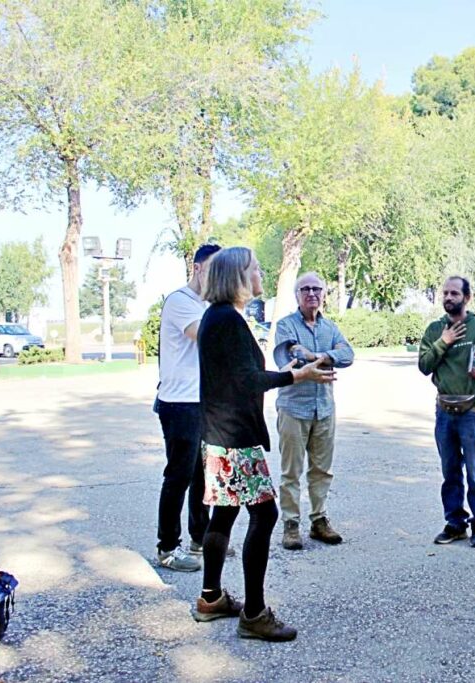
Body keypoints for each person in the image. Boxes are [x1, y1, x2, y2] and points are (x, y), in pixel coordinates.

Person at [193, 247, 335, 641]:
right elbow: (247, 381)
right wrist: (297, 377)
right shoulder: (227, 321)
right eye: (255, 268)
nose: (261, 273)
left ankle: (211, 598)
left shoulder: (219, 318)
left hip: (221, 437)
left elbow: (242, 374)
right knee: (265, 516)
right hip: (235, 440)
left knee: (223, 515)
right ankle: (254, 614)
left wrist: (287, 372)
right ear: (238, 276)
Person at [274, 272, 354, 550]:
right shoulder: (285, 325)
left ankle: (319, 520)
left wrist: (320, 356)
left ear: (324, 294)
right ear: (297, 295)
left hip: (324, 410)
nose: (311, 294)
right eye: (305, 289)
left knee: (322, 470)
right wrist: (322, 356)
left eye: (316, 289)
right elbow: (289, 353)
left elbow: (348, 354)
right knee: (291, 472)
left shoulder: (330, 327)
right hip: (293, 408)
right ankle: (291, 525)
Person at [154, 244, 221, 572]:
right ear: (196, 268)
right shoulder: (181, 301)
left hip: (202, 402)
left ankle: (201, 537)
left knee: (203, 476)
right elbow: (206, 336)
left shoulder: (206, 305)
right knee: (178, 476)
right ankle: (167, 548)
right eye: (212, 269)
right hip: (179, 404)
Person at [418, 276, 475, 548]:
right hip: (445, 412)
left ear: (467, 297)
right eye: (445, 293)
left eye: (454, 293)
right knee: (450, 471)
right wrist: (444, 341)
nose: (448, 298)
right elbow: (424, 366)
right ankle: (455, 524)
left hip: (471, 413)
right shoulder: (434, 330)